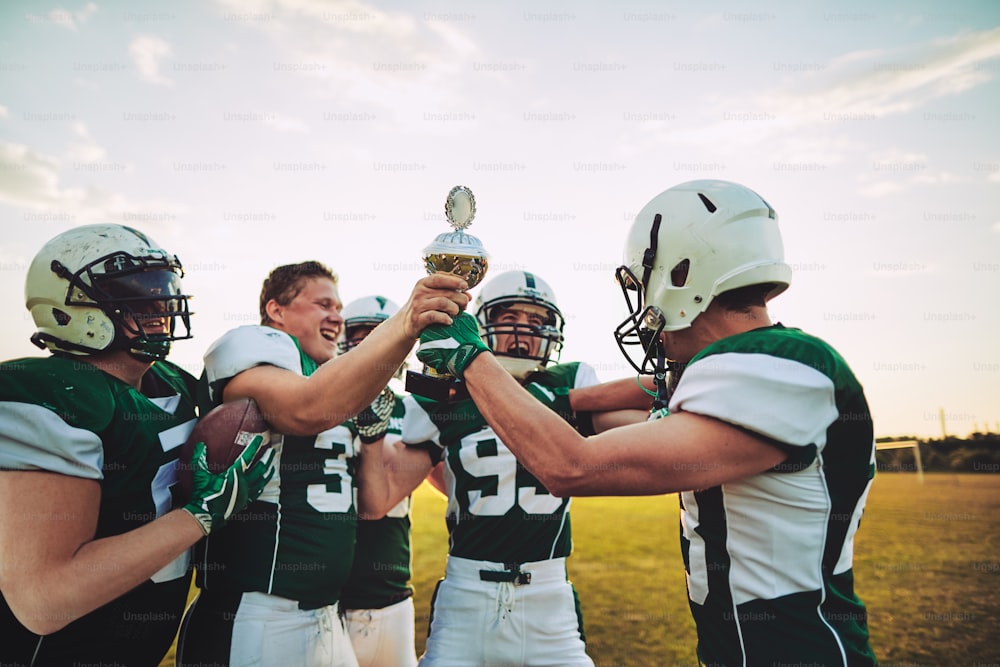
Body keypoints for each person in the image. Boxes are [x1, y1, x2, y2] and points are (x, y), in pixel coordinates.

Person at [416, 179, 879, 667]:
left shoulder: (775, 364)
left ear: (683, 275)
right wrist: (558, 395)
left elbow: (571, 466)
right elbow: (645, 393)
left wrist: (472, 358)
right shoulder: (749, 365)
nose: (643, 312)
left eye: (642, 286)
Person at [0, 224, 273, 667]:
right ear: (68, 307)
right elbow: (44, 599)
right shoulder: (57, 395)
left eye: (164, 288)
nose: (162, 303)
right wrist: (199, 516)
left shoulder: (176, 384)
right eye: (138, 291)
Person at [176, 262, 468, 667]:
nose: (336, 316)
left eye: (339, 306)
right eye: (322, 304)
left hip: (325, 613)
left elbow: (373, 501)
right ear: (276, 311)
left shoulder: (331, 379)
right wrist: (406, 321)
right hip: (257, 612)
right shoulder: (256, 345)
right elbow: (305, 409)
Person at [370, 269, 646, 667]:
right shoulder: (444, 394)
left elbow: (654, 402)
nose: (524, 331)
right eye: (510, 317)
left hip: (548, 595)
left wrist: (566, 398)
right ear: (482, 324)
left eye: (537, 321)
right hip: (465, 594)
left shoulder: (569, 383)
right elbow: (383, 495)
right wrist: (371, 434)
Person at [338, 295, 419, 667]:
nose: (374, 344)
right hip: (318, 598)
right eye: (362, 335)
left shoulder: (416, 408)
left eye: (383, 335)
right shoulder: (317, 400)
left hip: (387, 590)